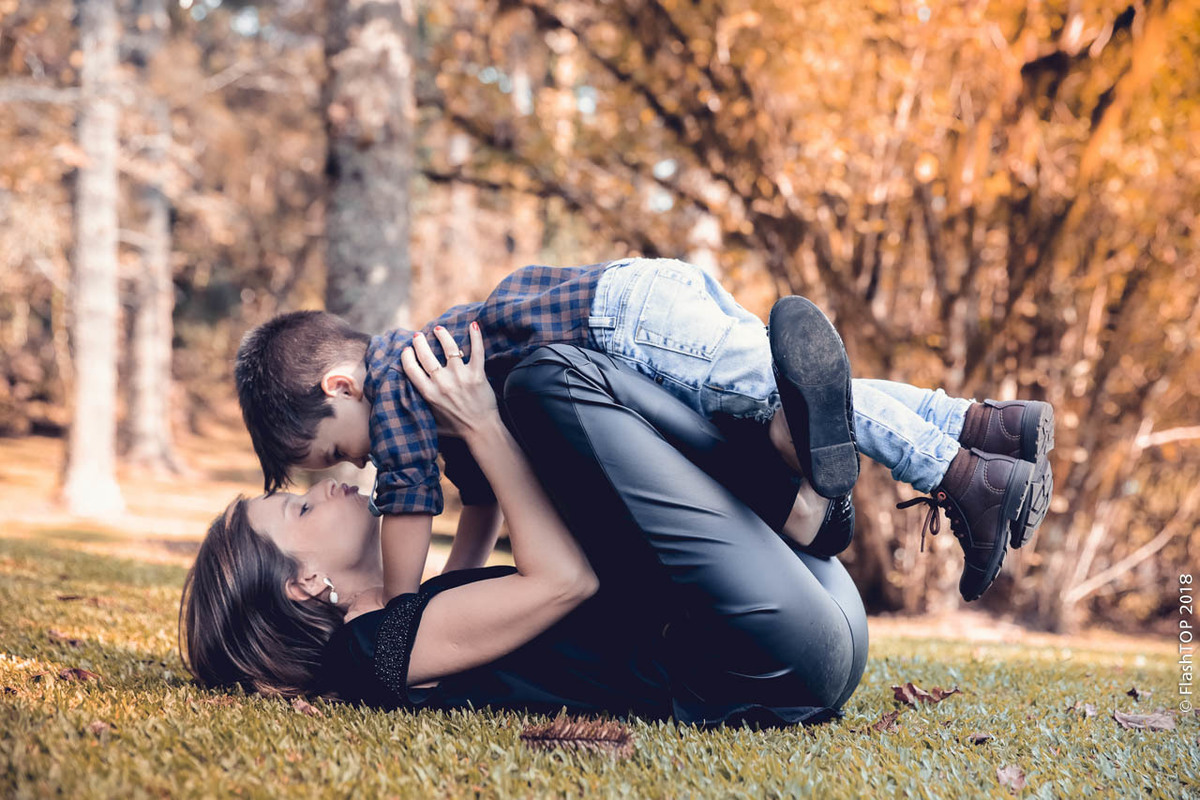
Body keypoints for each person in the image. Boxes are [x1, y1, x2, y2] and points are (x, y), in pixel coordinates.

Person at [234, 257, 1054, 602]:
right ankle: (988, 424)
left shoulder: (401, 379)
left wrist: (401, 606)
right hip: (643, 296)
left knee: (788, 393)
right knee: (810, 397)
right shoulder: (441, 391)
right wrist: (456, 591)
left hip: (624, 326)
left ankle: (967, 479)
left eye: (339, 449)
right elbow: (477, 504)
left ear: (341, 387)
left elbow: (411, 503)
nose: (359, 465)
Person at [181, 325, 869, 726]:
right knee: (546, 382)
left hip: (801, 605)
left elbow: (484, 519)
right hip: (765, 660)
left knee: (540, 387)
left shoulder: (398, 622)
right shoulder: (369, 653)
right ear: (305, 582)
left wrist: (458, 429)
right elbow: (563, 580)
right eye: (301, 509)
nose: (326, 487)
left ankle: (797, 504)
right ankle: (780, 481)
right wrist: (483, 422)